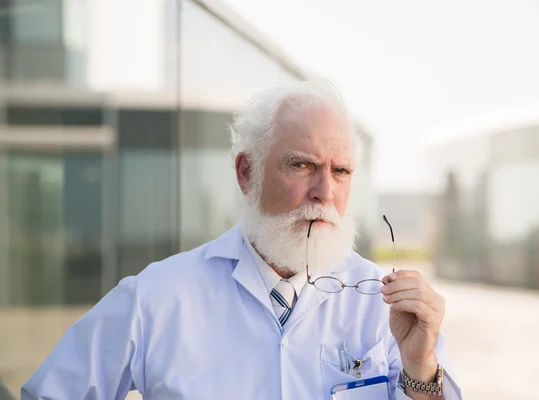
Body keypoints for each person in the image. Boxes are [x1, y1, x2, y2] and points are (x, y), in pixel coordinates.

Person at [22, 81, 462, 399]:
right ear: (246, 173)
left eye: (341, 171)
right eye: (302, 165)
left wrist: (420, 368)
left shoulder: (384, 306)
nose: (325, 192)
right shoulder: (157, 298)